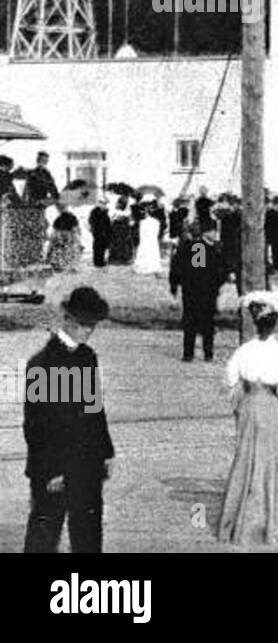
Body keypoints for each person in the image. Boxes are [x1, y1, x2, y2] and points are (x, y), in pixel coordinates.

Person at [23, 288, 114, 553]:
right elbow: (35, 424)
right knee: (44, 533)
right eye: (84, 324)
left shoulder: (87, 357)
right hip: (53, 466)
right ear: (68, 319)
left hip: (87, 463)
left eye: (92, 325)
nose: (88, 330)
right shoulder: (41, 364)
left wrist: (105, 451)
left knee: (88, 532)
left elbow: (95, 409)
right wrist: (50, 469)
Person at [217, 291, 278, 544]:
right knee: (270, 462)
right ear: (275, 323)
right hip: (271, 405)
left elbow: (229, 380)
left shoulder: (244, 351)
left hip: (249, 404)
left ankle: (237, 520)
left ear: (255, 323)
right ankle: (269, 523)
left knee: (245, 459)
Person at [169, 222, 225, 362]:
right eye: (213, 231)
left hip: (190, 290)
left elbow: (176, 266)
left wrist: (175, 285)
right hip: (206, 290)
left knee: (190, 322)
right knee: (207, 323)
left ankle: (188, 353)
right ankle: (208, 353)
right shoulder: (211, 249)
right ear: (205, 233)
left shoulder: (187, 247)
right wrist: (217, 285)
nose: (215, 234)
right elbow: (218, 271)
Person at [47, 205, 82, 272]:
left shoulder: (62, 218)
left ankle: (66, 266)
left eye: (60, 208)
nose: (59, 210)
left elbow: (76, 229)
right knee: (66, 251)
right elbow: (77, 229)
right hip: (65, 237)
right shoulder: (60, 219)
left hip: (65, 237)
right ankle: (67, 266)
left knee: (65, 251)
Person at [88, 198, 112, 267]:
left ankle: (100, 261)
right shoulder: (95, 212)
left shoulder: (103, 212)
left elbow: (107, 223)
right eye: (103, 204)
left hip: (103, 233)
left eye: (105, 204)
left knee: (102, 248)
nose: (105, 205)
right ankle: (98, 262)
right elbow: (92, 222)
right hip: (99, 233)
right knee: (98, 248)